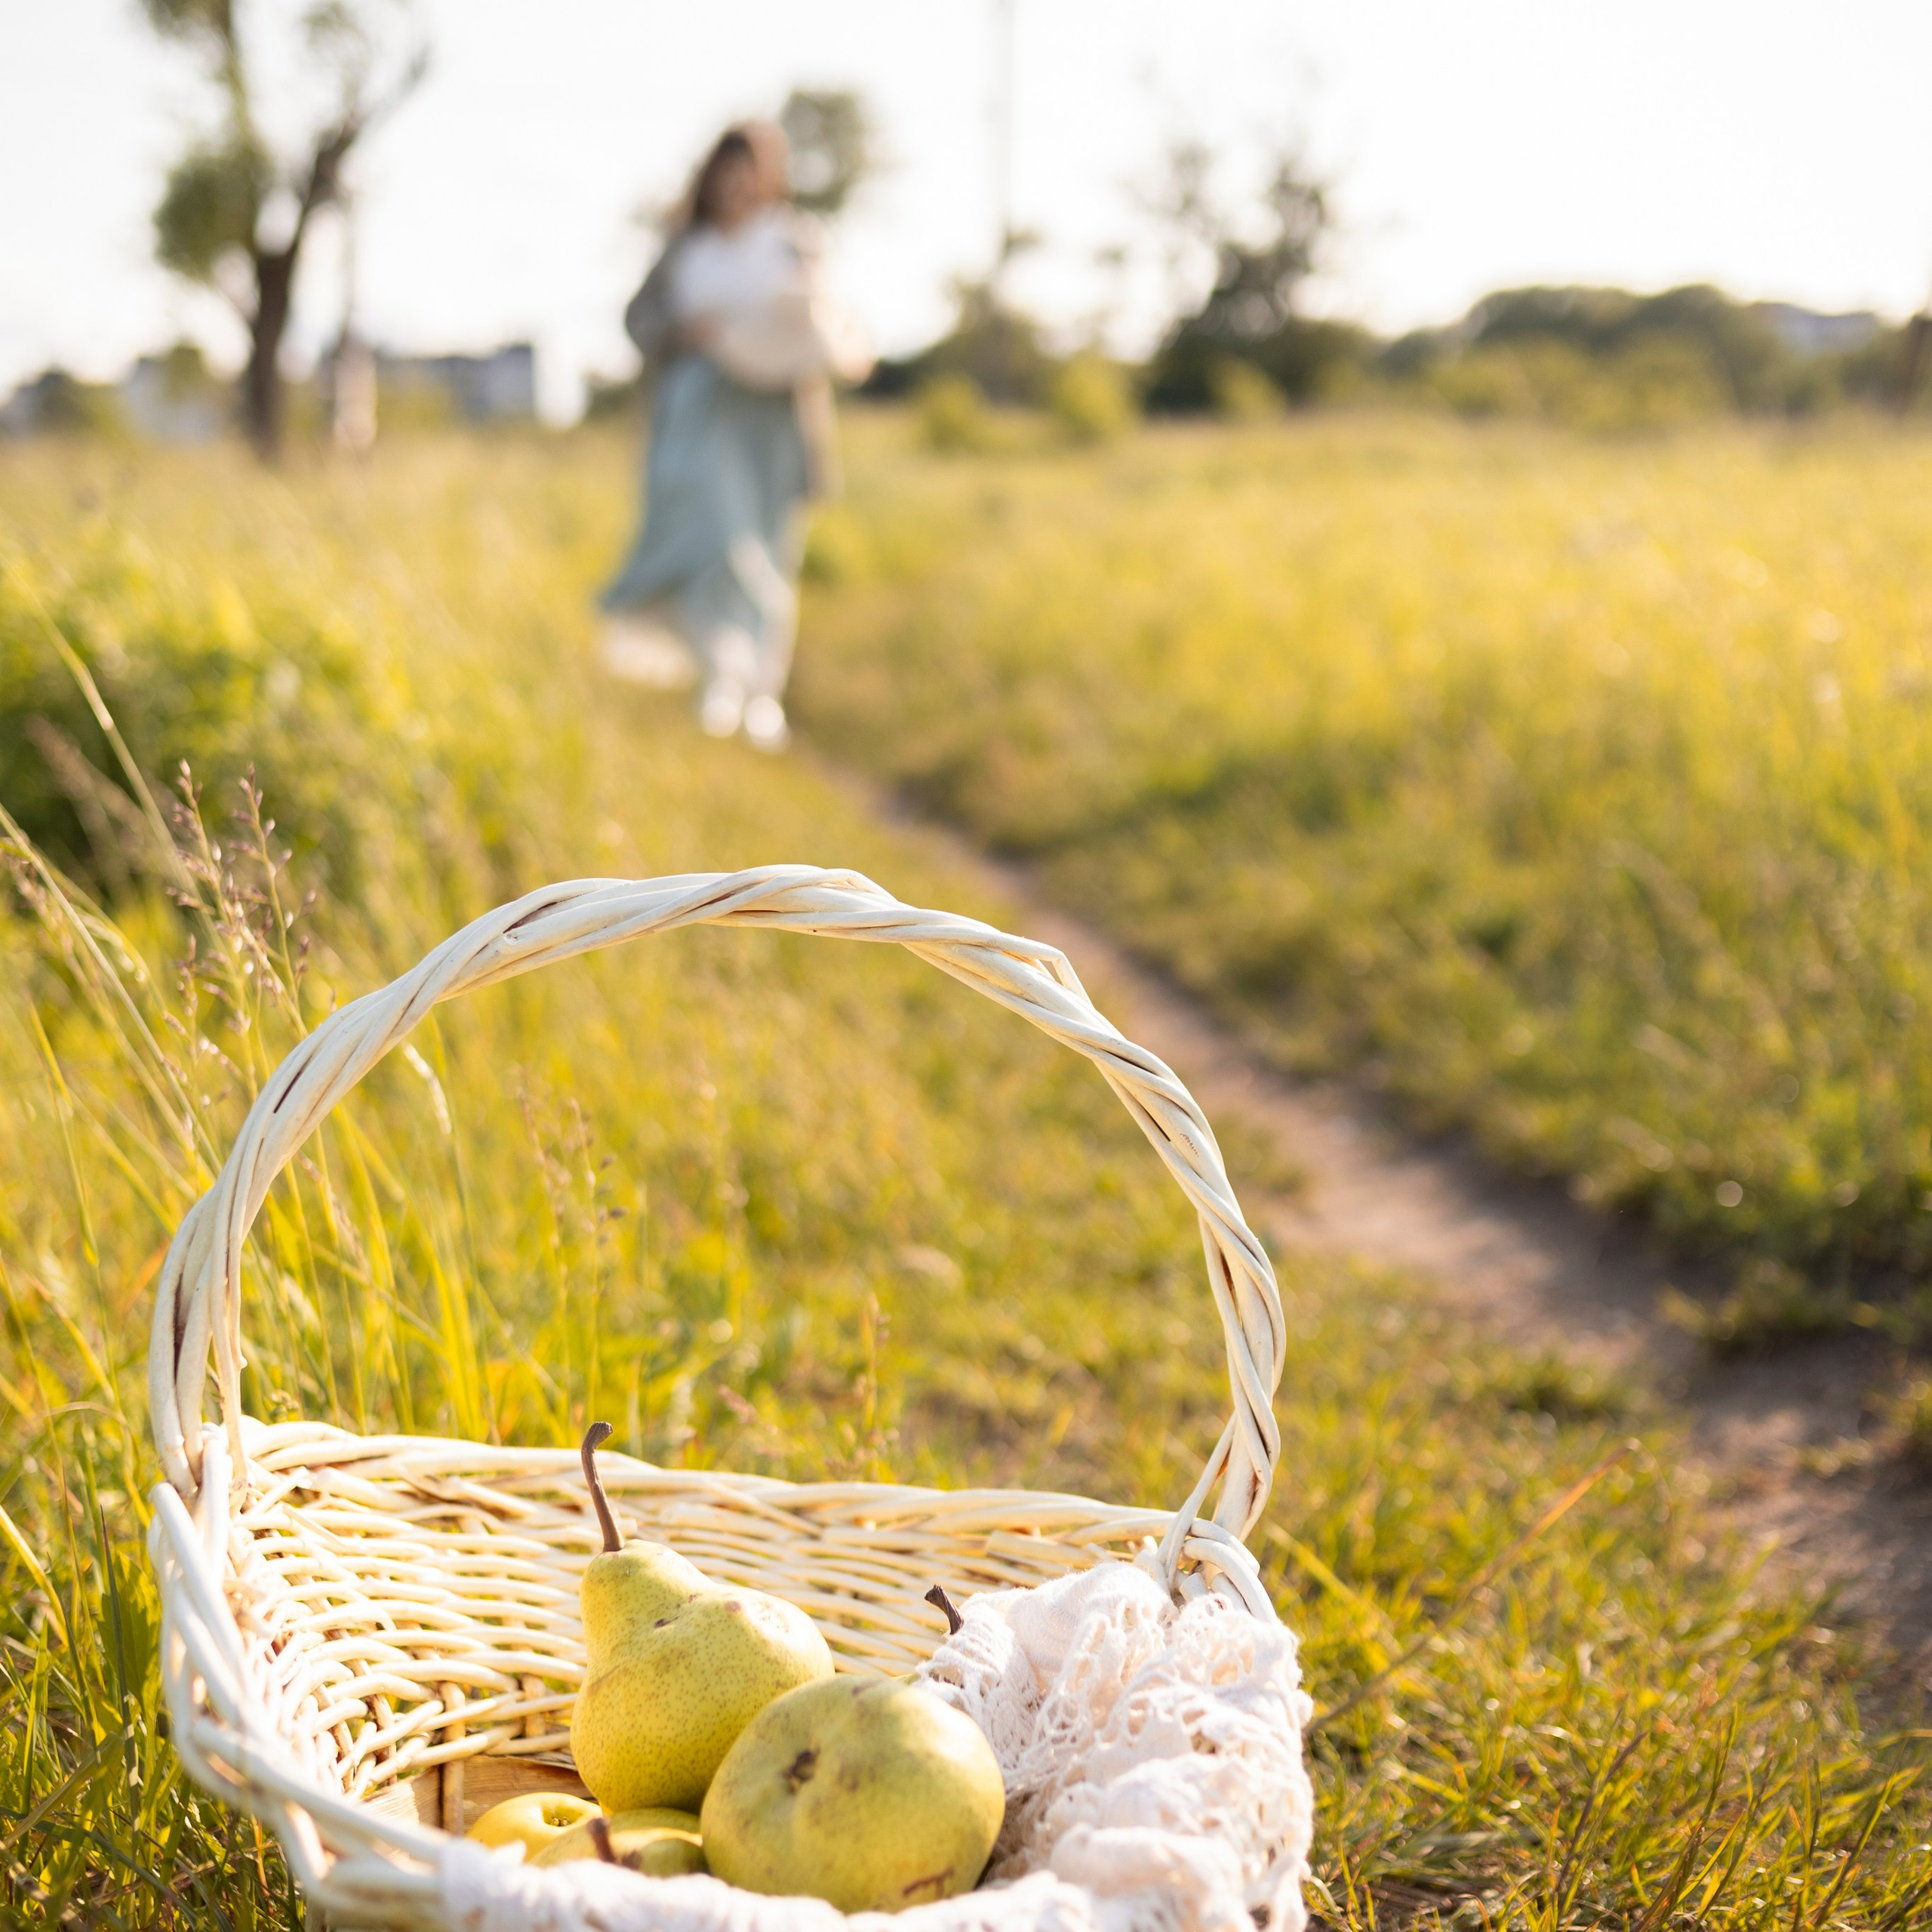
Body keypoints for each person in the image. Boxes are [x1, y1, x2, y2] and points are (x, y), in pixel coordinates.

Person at [598, 122, 869, 751]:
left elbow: (829, 319)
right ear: (710, 178)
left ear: (767, 178)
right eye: (726, 173)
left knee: (773, 551)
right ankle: (722, 675)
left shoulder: (793, 240)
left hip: (776, 414)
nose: (737, 187)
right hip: (699, 412)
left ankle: (762, 693)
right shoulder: (684, 247)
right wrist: (681, 333)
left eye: (749, 174)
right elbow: (640, 320)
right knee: (719, 543)